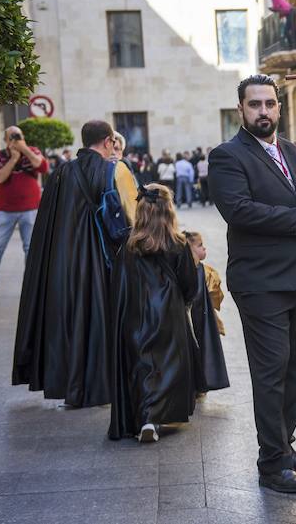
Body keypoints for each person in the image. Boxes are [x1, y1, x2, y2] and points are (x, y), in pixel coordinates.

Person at [209, 74, 296, 494]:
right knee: (271, 372)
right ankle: (271, 464)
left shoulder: (294, 152)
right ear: (241, 110)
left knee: (295, 368)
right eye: (255, 104)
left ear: (279, 108)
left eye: (270, 104)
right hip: (259, 283)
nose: (264, 111)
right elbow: (240, 211)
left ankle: (285, 447)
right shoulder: (227, 156)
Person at [12, 121, 137, 407]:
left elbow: (49, 222)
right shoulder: (114, 169)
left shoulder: (61, 172)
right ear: (107, 141)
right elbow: (134, 216)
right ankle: (105, 385)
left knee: (73, 321)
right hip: (103, 260)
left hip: (63, 261)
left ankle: (74, 387)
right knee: (102, 319)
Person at [109, 184, 198, 442]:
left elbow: (118, 284)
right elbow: (189, 284)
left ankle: (146, 418)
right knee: (169, 366)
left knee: (142, 364)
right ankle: (157, 416)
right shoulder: (178, 244)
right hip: (169, 313)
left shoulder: (128, 245)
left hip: (135, 314)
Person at [0, 126, 48, 295]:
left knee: (30, 249)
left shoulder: (32, 151)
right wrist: (13, 159)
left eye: (18, 136)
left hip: (30, 209)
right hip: (5, 210)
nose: (15, 140)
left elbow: (42, 167)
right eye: (11, 137)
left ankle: (31, 287)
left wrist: (24, 149)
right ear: (5, 140)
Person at [184, 230, 229, 394]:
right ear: (190, 248)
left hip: (200, 317)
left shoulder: (205, 271)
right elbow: (215, 295)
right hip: (196, 318)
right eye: (200, 246)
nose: (204, 249)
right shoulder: (204, 272)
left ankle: (200, 384)